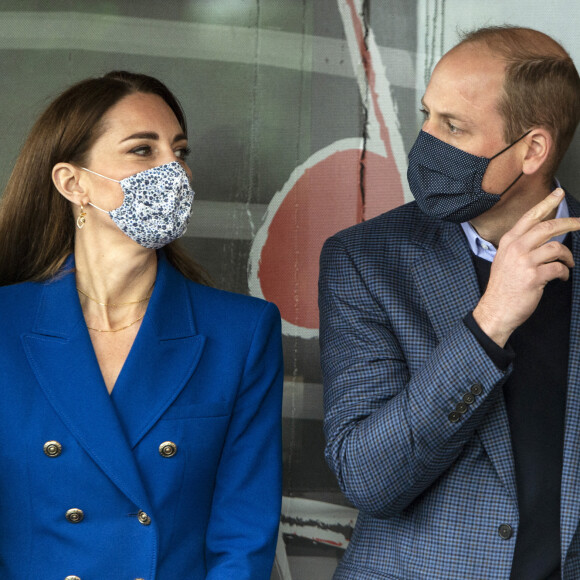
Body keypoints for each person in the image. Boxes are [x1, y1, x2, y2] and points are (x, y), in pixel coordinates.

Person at [319, 26, 580, 579]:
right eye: (427, 116)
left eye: (453, 126)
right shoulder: (365, 260)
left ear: (533, 149)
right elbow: (369, 479)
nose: (427, 141)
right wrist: (489, 324)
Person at [0, 71, 283, 579]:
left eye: (179, 151)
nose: (173, 169)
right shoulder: (5, 323)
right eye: (142, 150)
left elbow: (242, 533)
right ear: (73, 183)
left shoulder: (240, 333)